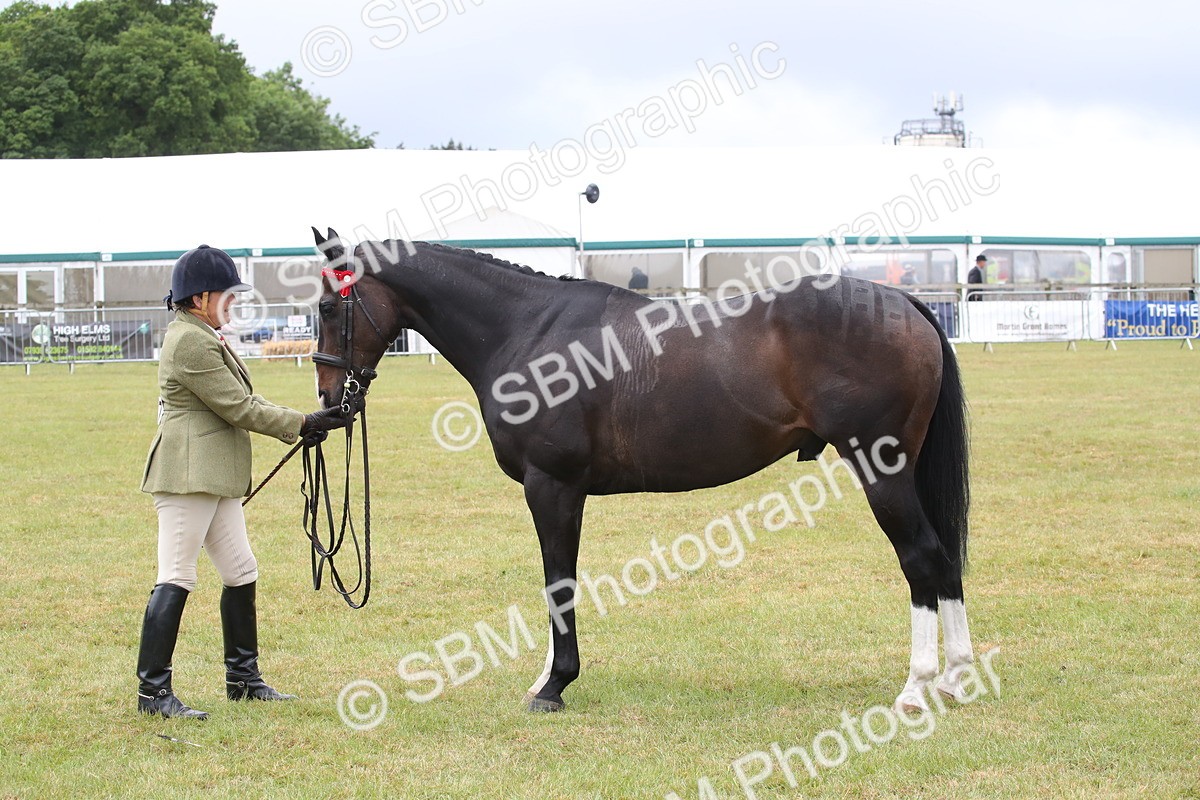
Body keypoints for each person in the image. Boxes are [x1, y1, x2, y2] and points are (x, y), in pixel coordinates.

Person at [136, 245, 352, 719]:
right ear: (199, 298)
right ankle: (152, 693)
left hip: (214, 476)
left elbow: (242, 401)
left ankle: (243, 679)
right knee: (176, 574)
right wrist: (303, 422)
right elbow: (238, 406)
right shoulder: (189, 341)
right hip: (188, 475)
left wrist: (307, 421)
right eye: (227, 295)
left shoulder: (202, 334)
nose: (233, 304)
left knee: (240, 570)